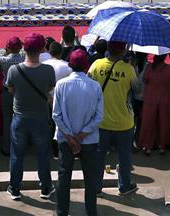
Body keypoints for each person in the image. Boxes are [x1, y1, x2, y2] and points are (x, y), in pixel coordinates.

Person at [5, 33, 56, 200]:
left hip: (19, 117)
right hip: (41, 117)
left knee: (17, 155)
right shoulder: (48, 70)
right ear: (42, 49)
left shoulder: (14, 70)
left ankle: (14, 188)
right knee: (43, 154)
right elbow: (48, 89)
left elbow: (11, 90)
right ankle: (46, 188)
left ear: (24, 48)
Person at [53, 49, 103, 216]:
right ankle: (91, 212)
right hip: (88, 140)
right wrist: (81, 135)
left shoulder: (61, 84)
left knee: (64, 177)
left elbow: (56, 115)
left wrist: (70, 136)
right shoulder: (95, 86)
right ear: (86, 66)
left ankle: (62, 212)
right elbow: (98, 117)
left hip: (65, 140)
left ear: (70, 65)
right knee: (90, 179)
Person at [89, 40, 139, 196]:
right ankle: (124, 186)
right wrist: (131, 67)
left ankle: (96, 187)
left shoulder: (96, 64)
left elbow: (88, 84)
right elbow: (137, 90)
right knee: (124, 157)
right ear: (123, 51)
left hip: (101, 121)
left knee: (99, 157)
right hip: (124, 123)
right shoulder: (129, 69)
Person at [139, 53, 170, 155]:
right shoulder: (169, 69)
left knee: (148, 122)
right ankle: (162, 146)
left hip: (150, 97)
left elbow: (144, 80)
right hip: (164, 98)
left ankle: (147, 146)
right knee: (163, 123)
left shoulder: (149, 67)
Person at [0, 36, 24, 156]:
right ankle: (20, 147)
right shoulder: (24, 58)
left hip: (7, 91)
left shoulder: (3, 60)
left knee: (7, 120)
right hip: (20, 92)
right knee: (21, 119)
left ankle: (6, 148)